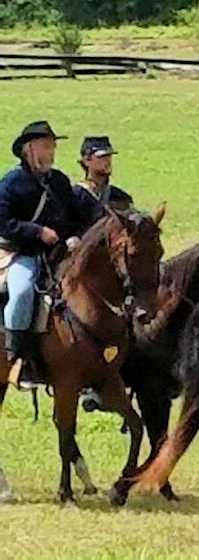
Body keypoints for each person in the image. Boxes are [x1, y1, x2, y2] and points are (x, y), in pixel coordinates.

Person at [0, 121, 85, 389]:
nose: (51, 152)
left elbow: (74, 216)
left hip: (59, 253)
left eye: (53, 147)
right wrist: (37, 232)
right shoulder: (10, 183)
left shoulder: (58, 181)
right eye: (46, 146)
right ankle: (18, 357)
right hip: (22, 252)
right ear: (29, 150)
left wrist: (74, 235)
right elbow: (4, 223)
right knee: (23, 291)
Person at [73, 136, 133, 231]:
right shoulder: (75, 196)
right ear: (86, 160)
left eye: (109, 156)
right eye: (101, 157)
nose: (107, 161)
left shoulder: (120, 196)